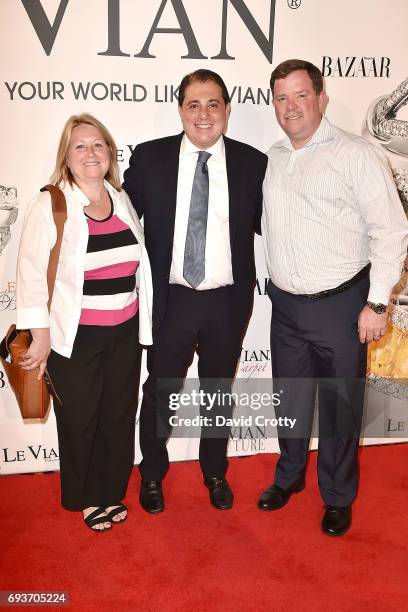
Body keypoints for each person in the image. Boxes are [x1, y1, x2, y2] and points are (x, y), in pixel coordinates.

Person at [260, 59, 408, 536]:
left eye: (301, 95)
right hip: (284, 307)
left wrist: (378, 303)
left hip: (343, 306)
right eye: (281, 97)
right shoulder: (274, 156)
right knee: (291, 401)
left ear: (322, 98)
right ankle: (288, 478)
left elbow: (392, 230)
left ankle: (339, 496)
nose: (291, 106)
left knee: (340, 407)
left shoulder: (357, 154)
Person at [123, 69, 267, 513]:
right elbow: (119, 217)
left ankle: (215, 471)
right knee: (161, 391)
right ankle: (151, 475)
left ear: (227, 108)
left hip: (227, 301)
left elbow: (279, 226)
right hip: (171, 299)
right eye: (193, 104)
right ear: (180, 109)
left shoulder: (253, 163)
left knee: (218, 391)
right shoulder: (150, 159)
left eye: (213, 104)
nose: (203, 114)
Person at [16, 113, 153, 532]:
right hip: (75, 336)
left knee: (117, 414)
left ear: (111, 153)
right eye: (80, 146)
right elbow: (31, 271)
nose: (91, 153)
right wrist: (38, 335)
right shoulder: (52, 203)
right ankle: (87, 497)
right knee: (80, 418)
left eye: (98, 145)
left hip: (124, 332)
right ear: (67, 156)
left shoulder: (120, 197)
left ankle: (111, 491)